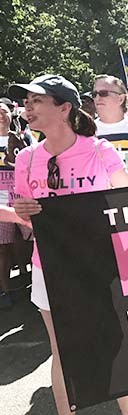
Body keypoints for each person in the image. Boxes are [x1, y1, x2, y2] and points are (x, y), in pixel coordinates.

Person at [9, 73, 128, 415]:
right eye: (26, 101)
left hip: (98, 265)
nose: (27, 107)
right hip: (48, 266)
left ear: (64, 108)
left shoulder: (99, 150)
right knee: (62, 351)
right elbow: (26, 217)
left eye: (36, 100)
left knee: (111, 340)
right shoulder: (27, 158)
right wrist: (22, 213)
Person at [0, 102, 32, 309]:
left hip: (21, 189)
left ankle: (34, 279)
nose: (1, 116)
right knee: (3, 245)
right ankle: (5, 290)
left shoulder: (24, 136)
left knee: (32, 237)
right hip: (1, 195)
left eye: (3, 112)